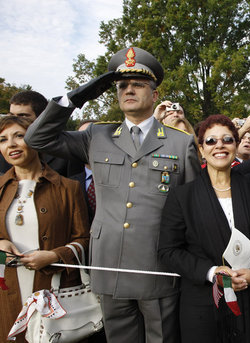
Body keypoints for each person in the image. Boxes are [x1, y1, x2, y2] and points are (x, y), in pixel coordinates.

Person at [24, 46, 200, 343]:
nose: (129, 90)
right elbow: (36, 137)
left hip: (157, 265)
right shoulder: (97, 136)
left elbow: (192, 208)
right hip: (109, 264)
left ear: (155, 95)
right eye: (122, 86)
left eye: (138, 85)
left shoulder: (180, 144)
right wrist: (75, 97)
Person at [159, 115, 250, 343]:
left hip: (249, 300)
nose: (219, 145)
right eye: (211, 141)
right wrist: (211, 272)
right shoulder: (182, 196)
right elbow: (168, 251)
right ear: (201, 148)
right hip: (202, 304)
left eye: (227, 139)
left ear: (236, 145)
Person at [0, 116, 89, 342]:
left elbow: (84, 239)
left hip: (54, 291)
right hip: (6, 290)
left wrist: (54, 255)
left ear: (36, 140)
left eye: (19, 136)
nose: (11, 144)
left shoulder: (68, 188)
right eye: (2, 139)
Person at [1, 90, 82, 177]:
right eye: (11, 115)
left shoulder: (68, 148)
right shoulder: (4, 150)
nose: (14, 121)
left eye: (22, 116)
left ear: (41, 117)